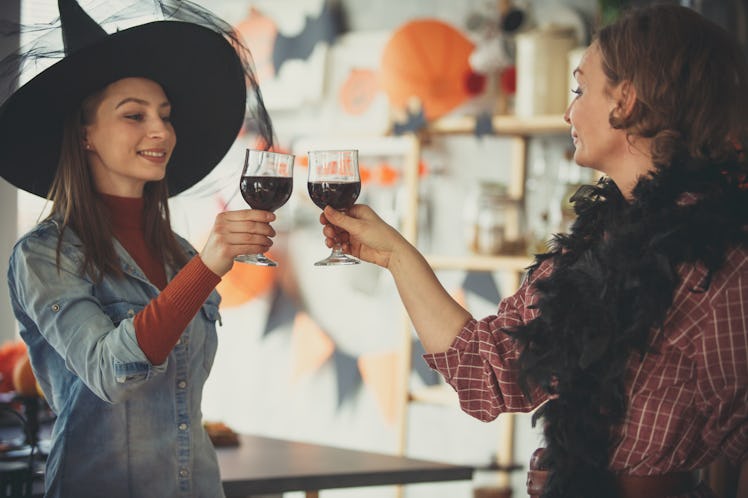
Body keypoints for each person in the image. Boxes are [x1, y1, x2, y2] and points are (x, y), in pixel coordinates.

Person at [320, 4, 747, 498]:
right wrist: (395, 255)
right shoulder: (593, 244)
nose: (568, 111)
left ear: (625, 100)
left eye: (580, 89)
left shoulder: (722, 258)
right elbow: (486, 371)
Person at [2, 1, 277, 497]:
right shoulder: (44, 256)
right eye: (134, 115)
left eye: (166, 116)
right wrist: (209, 267)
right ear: (85, 134)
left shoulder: (178, 252)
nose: (161, 131)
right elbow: (110, 371)